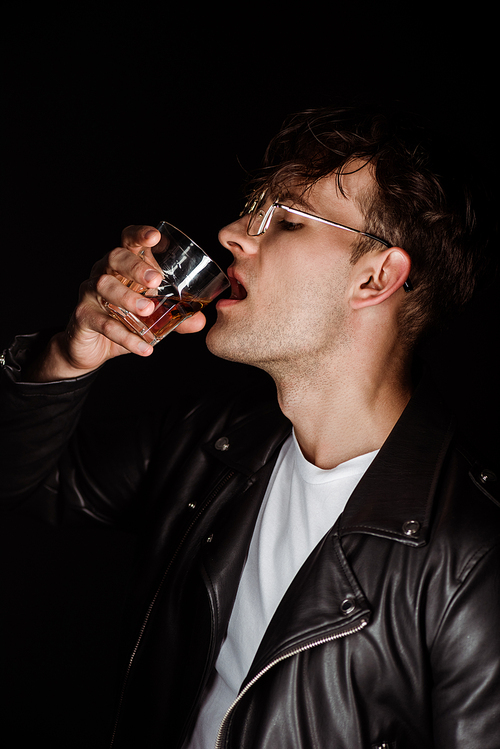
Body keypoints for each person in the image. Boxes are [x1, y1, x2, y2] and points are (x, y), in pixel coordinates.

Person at [1, 105, 499, 749]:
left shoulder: (475, 558)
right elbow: (24, 483)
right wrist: (67, 357)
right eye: (252, 210)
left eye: (286, 220)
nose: (234, 233)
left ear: (376, 277)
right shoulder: (210, 443)